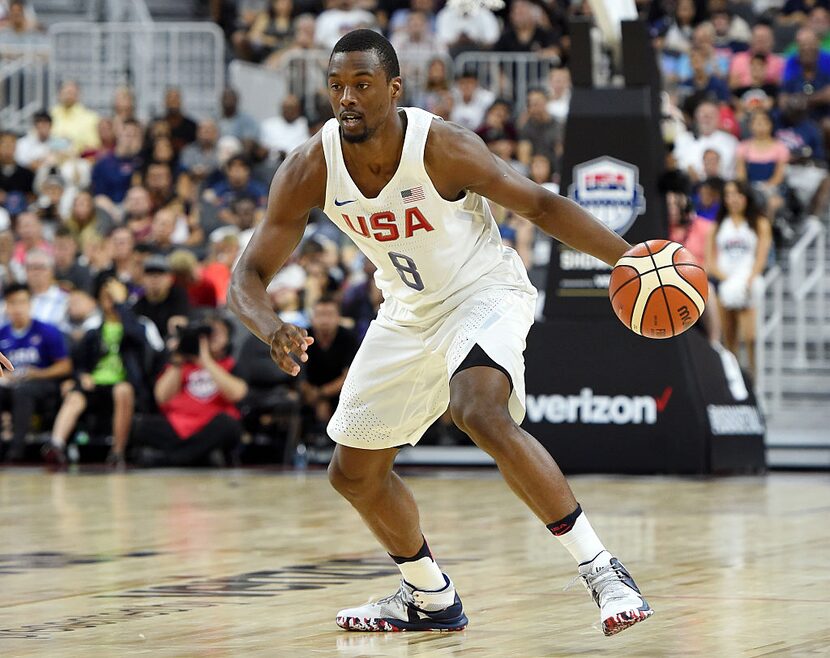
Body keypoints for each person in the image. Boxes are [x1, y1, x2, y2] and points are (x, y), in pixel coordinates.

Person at [229, 30, 653, 636]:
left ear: (394, 88)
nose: (345, 97)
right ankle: (428, 597)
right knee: (352, 472)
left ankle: (604, 571)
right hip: (407, 310)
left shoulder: (442, 146)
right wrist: (270, 327)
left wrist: (629, 260)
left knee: (478, 409)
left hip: (484, 291)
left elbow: (539, 205)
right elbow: (247, 274)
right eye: (336, 86)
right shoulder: (309, 167)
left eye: (362, 85)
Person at [46, 279, 141, 467]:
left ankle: (117, 452)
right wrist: (80, 377)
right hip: (96, 383)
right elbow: (79, 364)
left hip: (122, 384)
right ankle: (55, 445)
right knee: (75, 395)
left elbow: (137, 338)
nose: (110, 302)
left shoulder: (138, 326)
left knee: (123, 390)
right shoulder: (94, 332)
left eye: (114, 298)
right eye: (106, 298)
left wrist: (122, 305)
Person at [132, 315, 246, 467]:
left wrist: (206, 360)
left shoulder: (229, 364)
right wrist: (178, 359)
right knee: (140, 426)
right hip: (179, 424)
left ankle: (169, 459)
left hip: (211, 426)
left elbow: (237, 394)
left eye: (218, 333)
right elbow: (161, 397)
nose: (211, 338)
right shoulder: (181, 365)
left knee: (229, 426)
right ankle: (201, 456)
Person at [706, 180, 772, 377]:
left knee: (751, 337)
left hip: (748, 285)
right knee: (729, 340)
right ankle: (734, 381)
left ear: (746, 197)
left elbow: (761, 258)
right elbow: (710, 262)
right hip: (725, 284)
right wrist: (729, 281)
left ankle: (755, 378)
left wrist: (746, 281)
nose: (732, 199)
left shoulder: (760, 224)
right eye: (728, 194)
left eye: (737, 194)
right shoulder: (717, 227)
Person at [0, 283, 71, 463]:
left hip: (42, 383)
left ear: (30, 305)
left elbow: (65, 366)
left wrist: (37, 373)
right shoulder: (3, 334)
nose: (17, 308)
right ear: (6, 306)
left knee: (23, 391)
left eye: (22, 302)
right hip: (11, 384)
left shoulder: (47, 331)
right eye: (12, 303)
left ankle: (16, 451)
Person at [300, 295, 358, 429]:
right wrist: (312, 395)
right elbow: (297, 374)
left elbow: (348, 377)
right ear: (312, 317)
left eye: (330, 314)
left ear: (338, 317)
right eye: (320, 314)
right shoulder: (303, 338)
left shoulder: (348, 338)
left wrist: (321, 394)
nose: (325, 320)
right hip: (307, 392)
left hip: (340, 392)